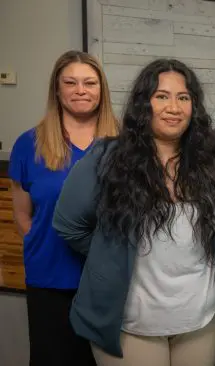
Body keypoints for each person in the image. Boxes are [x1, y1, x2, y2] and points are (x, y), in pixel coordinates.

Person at [52, 59, 215, 366]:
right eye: (161, 96)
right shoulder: (106, 158)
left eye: (183, 98)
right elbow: (68, 225)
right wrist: (109, 252)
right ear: (143, 103)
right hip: (131, 327)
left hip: (200, 322)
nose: (173, 107)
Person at [9, 50, 119, 366]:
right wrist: (40, 244)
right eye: (70, 82)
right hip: (50, 280)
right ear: (57, 89)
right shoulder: (28, 144)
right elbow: (21, 213)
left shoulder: (125, 144)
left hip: (108, 282)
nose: (80, 90)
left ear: (102, 90)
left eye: (89, 83)